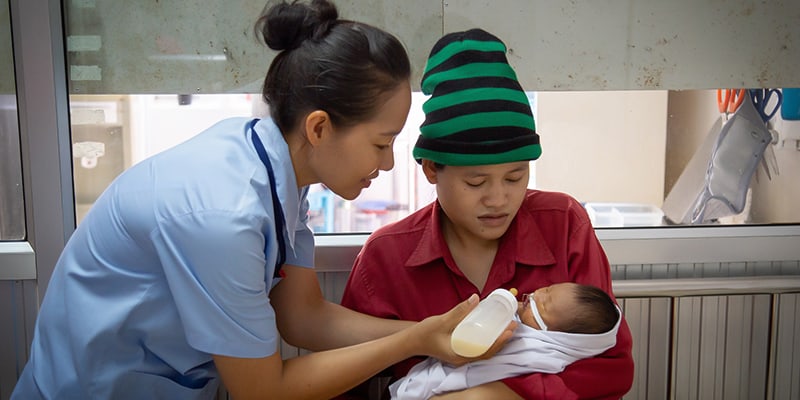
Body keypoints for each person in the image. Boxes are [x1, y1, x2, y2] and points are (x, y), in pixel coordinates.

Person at [11, 3, 515, 399]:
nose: (387, 164)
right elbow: (263, 390)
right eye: (381, 143)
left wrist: (428, 333)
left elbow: (303, 318)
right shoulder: (222, 215)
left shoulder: (274, 173)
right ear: (319, 127)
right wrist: (412, 341)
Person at [339, 28, 634, 399]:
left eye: (515, 176)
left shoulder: (563, 224)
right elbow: (343, 380)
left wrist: (494, 393)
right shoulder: (387, 257)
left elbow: (612, 368)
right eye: (476, 183)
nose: (498, 199)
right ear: (431, 169)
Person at [389, 283, 621, 399]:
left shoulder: (540, 353)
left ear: (558, 335)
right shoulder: (523, 320)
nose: (536, 296)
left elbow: (493, 366)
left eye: (544, 305)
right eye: (548, 289)